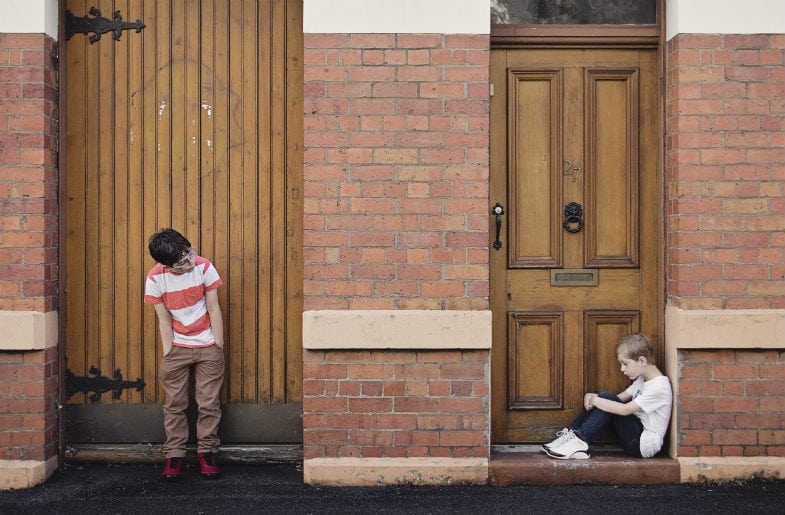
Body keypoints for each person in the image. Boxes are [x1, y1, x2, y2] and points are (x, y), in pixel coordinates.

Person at [144, 228, 225, 480]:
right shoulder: (156, 278)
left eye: (189, 253)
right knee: (174, 405)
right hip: (177, 349)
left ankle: (207, 452)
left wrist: (217, 344)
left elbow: (213, 306)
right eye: (182, 262)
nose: (190, 261)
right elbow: (163, 318)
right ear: (165, 265)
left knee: (209, 403)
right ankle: (174, 455)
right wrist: (169, 352)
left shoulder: (203, 266)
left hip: (208, 345)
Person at [542, 333, 672, 460]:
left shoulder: (659, 386)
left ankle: (579, 442)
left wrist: (596, 400)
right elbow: (618, 399)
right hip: (634, 434)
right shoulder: (642, 379)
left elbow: (625, 409)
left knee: (606, 398)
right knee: (605, 397)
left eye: (625, 364)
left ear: (642, 360)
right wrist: (594, 397)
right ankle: (571, 435)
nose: (622, 369)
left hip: (642, 445)